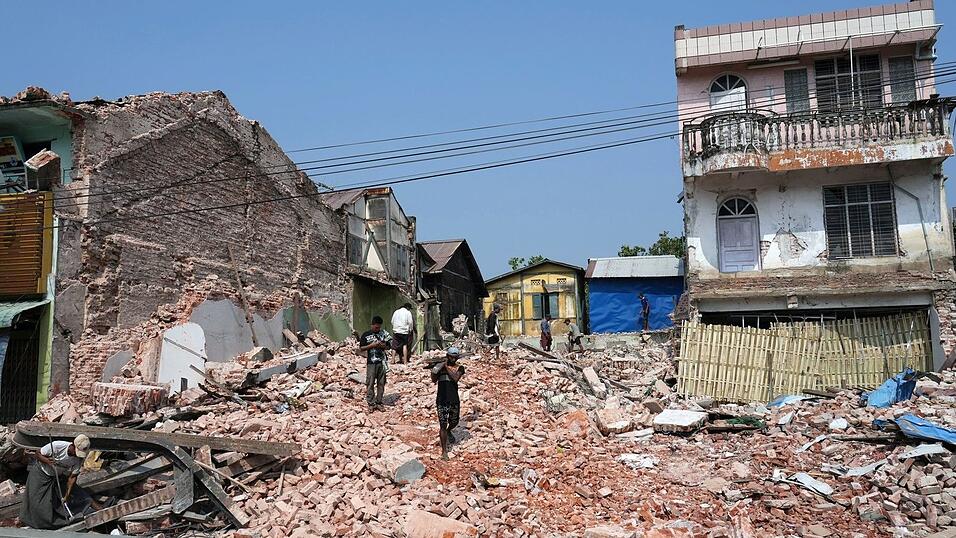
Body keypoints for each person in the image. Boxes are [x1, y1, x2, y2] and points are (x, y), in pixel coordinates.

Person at [20, 435, 91, 529]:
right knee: (35, 501)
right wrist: (47, 461)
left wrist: (66, 495)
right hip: (40, 473)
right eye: (76, 452)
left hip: (55, 476)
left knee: (51, 502)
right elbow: (37, 454)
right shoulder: (57, 446)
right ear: (73, 445)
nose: (76, 455)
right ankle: (30, 522)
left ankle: (49, 522)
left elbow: (72, 477)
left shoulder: (78, 459)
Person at [431, 347, 465, 460]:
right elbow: (433, 379)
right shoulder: (441, 368)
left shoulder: (460, 368)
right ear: (447, 356)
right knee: (442, 424)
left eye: (455, 357)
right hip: (441, 399)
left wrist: (445, 366)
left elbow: (455, 378)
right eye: (451, 357)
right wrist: (437, 368)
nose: (453, 359)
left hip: (454, 399)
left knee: (455, 421)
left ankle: (449, 431)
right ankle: (444, 451)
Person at [359, 316, 391, 410]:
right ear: (372, 325)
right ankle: (371, 403)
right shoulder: (366, 334)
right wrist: (372, 345)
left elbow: (389, 346)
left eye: (379, 327)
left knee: (381, 383)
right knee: (370, 383)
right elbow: (361, 348)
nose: (377, 329)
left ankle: (379, 402)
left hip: (382, 362)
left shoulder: (383, 334)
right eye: (376, 327)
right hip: (371, 363)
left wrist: (383, 346)